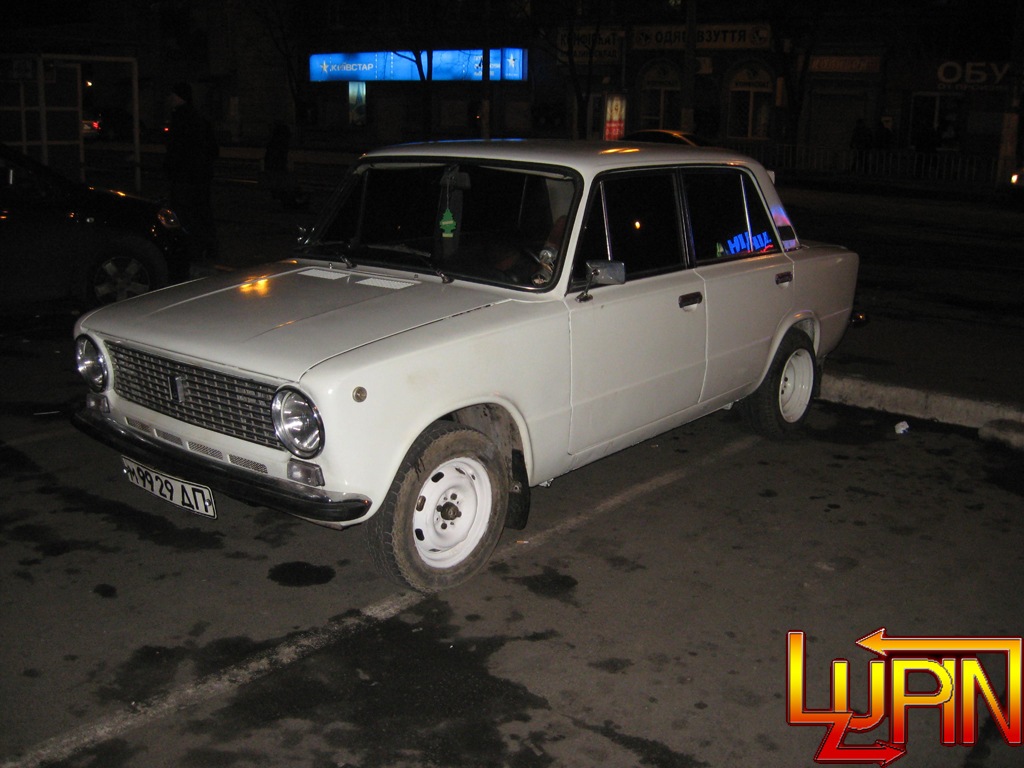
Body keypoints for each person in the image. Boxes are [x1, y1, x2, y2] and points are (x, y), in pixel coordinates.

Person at [164, 82, 219, 261]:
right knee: (202, 212)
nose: (169, 100)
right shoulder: (200, 118)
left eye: (172, 96)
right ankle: (208, 248)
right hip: (200, 175)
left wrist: (172, 169)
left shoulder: (181, 119)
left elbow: (176, 150)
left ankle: (190, 250)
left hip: (185, 176)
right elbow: (213, 148)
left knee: (185, 214)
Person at [263, 123, 307, 209]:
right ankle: (293, 202)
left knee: (287, 184)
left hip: (274, 174)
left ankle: (291, 202)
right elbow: (279, 163)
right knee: (288, 184)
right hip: (277, 175)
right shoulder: (279, 146)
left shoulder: (273, 145)